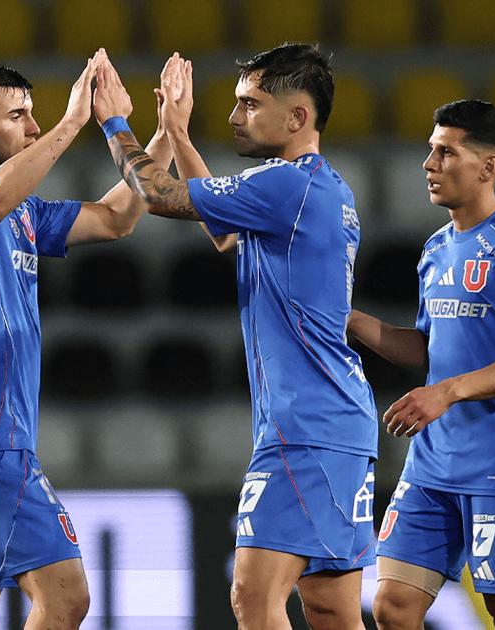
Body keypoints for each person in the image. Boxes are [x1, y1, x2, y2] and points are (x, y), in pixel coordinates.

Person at [96, 44, 378, 629]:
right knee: (330, 607)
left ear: (298, 117)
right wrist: (177, 132)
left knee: (252, 594)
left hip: (305, 429)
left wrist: (115, 124)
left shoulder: (287, 187)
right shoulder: (317, 187)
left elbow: (158, 195)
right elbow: (225, 233)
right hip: (335, 425)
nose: (234, 117)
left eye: (250, 104)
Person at [0, 50, 171, 629]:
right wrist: (71, 123)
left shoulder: (26, 213)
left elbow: (116, 217)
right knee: (66, 595)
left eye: (36, 115)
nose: (33, 127)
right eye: (19, 116)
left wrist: (153, 132)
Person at [348, 100, 495, 630]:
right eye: (430, 150)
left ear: (488, 167)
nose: (429, 163)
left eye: (446, 152)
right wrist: (345, 316)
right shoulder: (437, 249)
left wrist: (445, 393)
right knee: (394, 606)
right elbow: (429, 350)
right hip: (432, 464)